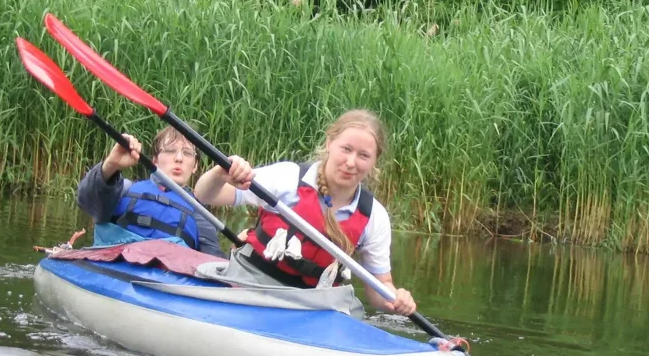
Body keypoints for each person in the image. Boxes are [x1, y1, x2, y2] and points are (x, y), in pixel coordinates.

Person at [194, 109, 417, 316]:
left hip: (314, 304)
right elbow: (205, 195)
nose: (351, 162)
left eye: (363, 155)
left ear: (375, 160)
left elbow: (379, 290)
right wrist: (219, 175)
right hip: (252, 283)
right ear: (330, 142)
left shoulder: (374, 217)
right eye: (346, 149)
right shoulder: (288, 179)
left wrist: (396, 298)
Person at [77, 126, 225, 258]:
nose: (179, 158)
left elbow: (213, 264)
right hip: (114, 270)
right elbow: (85, 201)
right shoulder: (124, 190)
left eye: (187, 153)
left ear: (195, 166)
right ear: (155, 160)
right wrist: (111, 164)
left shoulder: (200, 214)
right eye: (170, 150)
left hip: (165, 279)